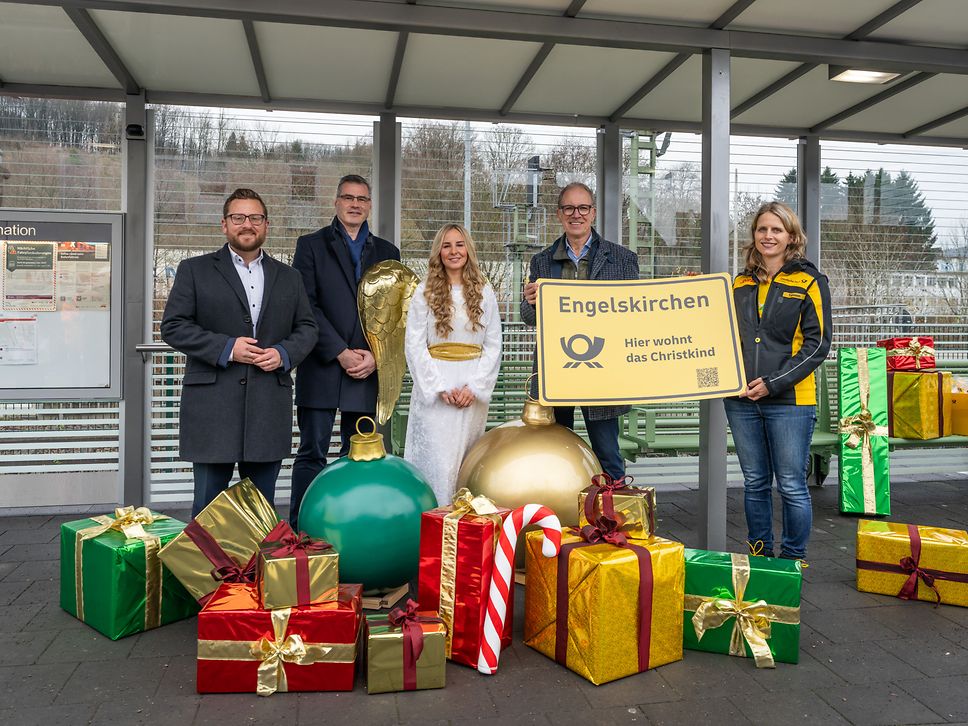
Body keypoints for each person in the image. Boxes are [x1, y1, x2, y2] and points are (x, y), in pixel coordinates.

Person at [161, 188, 318, 516]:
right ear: (224, 224)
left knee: (261, 516)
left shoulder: (289, 277)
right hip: (211, 410)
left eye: (255, 218)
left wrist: (283, 354)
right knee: (207, 511)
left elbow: (307, 329)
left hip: (266, 411)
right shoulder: (194, 270)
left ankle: (256, 570)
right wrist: (227, 347)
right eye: (238, 217)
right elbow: (174, 326)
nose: (247, 224)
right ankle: (205, 569)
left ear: (266, 224)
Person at [289, 174, 400, 527]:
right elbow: (306, 305)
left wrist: (375, 356)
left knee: (359, 455)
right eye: (348, 198)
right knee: (311, 454)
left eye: (362, 199)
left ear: (369, 205)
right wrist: (339, 350)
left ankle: (351, 529)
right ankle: (302, 531)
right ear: (336, 202)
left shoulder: (388, 252)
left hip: (367, 368)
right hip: (322, 364)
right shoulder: (310, 245)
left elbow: (394, 312)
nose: (355, 204)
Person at [725, 201, 832, 562]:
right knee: (754, 483)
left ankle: (791, 561)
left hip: (790, 402)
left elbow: (818, 344)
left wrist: (772, 382)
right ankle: (759, 557)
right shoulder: (739, 283)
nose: (768, 236)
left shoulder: (809, 282)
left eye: (776, 230)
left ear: (791, 237)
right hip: (741, 401)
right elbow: (722, 335)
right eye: (762, 229)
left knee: (791, 486)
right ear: (754, 236)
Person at [521, 182, 639, 480]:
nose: (577, 214)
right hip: (556, 371)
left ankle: (614, 524)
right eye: (569, 208)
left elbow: (636, 315)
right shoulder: (541, 261)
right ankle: (558, 523)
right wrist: (531, 301)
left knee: (607, 455)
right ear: (560, 214)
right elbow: (527, 318)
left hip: (602, 371)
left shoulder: (623, 260)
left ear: (593, 213)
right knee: (555, 454)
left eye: (583, 207)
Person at [404, 224, 502, 505]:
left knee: (465, 461)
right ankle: (435, 525)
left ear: (468, 250)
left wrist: (475, 387)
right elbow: (414, 343)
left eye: (459, 244)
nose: (454, 251)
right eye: (446, 245)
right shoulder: (424, 291)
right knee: (437, 462)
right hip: (437, 387)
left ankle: (463, 529)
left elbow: (493, 344)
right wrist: (439, 387)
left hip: (471, 387)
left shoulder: (485, 292)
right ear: (439, 252)